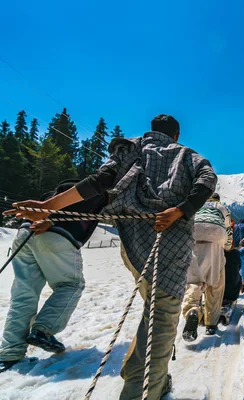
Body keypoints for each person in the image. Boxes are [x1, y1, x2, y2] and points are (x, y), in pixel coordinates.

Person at [9, 115, 217, 399]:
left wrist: (49, 206)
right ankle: (141, 390)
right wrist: (180, 210)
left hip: (132, 243)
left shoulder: (129, 148)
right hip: (170, 242)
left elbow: (99, 181)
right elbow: (208, 181)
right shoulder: (189, 156)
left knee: (152, 307)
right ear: (176, 135)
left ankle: (148, 378)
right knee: (162, 314)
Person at [0, 180, 107, 373]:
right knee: (71, 285)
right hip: (55, 235)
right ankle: (44, 330)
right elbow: (83, 199)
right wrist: (53, 219)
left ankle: (10, 352)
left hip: (25, 232)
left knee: (24, 293)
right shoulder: (94, 189)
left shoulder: (53, 194)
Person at [181, 193, 232, 339]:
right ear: (217, 200)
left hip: (194, 233)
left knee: (193, 279)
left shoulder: (198, 204)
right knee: (215, 282)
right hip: (216, 235)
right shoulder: (222, 208)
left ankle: (192, 312)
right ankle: (211, 324)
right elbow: (228, 231)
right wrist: (227, 247)